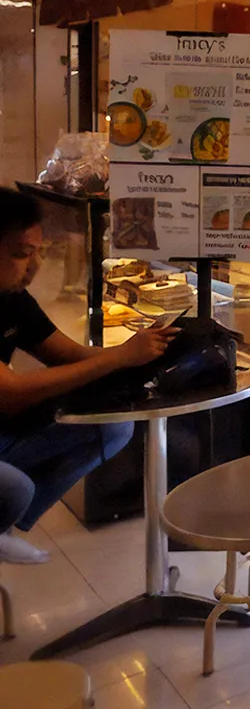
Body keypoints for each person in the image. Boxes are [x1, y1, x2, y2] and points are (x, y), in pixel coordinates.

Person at [0, 188, 176, 563]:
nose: (33, 267)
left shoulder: (12, 298)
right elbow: (10, 393)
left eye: (37, 252)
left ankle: (6, 525)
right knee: (14, 487)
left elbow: (70, 355)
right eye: (21, 254)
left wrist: (138, 354)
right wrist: (120, 358)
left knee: (113, 427)